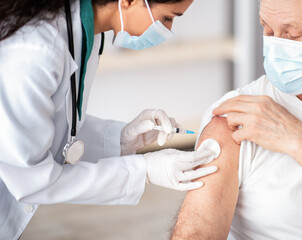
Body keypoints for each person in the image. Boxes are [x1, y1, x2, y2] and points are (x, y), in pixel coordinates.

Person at [0, 0, 221, 239]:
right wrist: (143, 170)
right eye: (168, 18)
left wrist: (121, 139)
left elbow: (48, 125)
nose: (167, 30)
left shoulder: (88, 34)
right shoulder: (37, 49)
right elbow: (32, 180)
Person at [171, 0, 302, 239]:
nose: (275, 47)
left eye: (292, 35)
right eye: (268, 30)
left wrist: (298, 140)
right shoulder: (232, 119)